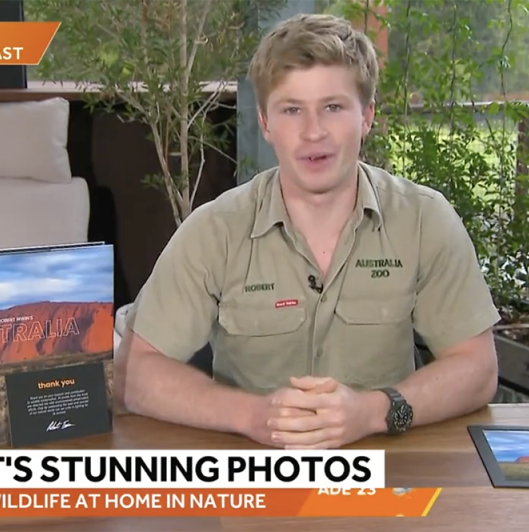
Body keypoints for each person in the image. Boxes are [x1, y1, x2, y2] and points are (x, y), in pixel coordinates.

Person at [115, 13, 501, 449]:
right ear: (265, 123)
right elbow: (138, 375)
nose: (313, 132)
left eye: (333, 108)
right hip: (254, 480)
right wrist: (256, 416)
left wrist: (371, 412)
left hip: (388, 477)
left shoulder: (423, 219)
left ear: (367, 116)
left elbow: (477, 367)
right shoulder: (215, 229)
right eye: (292, 110)